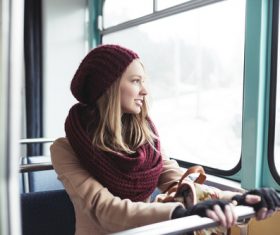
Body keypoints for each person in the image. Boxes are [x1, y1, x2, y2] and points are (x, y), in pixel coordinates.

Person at [50, 44, 280, 235]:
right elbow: (104, 208)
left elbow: (180, 181)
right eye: (135, 81)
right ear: (107, 87)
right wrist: (179, 213)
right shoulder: (65, 149)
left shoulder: (145, 138)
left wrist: (239, 198)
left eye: (144, 81)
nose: (145, 90)